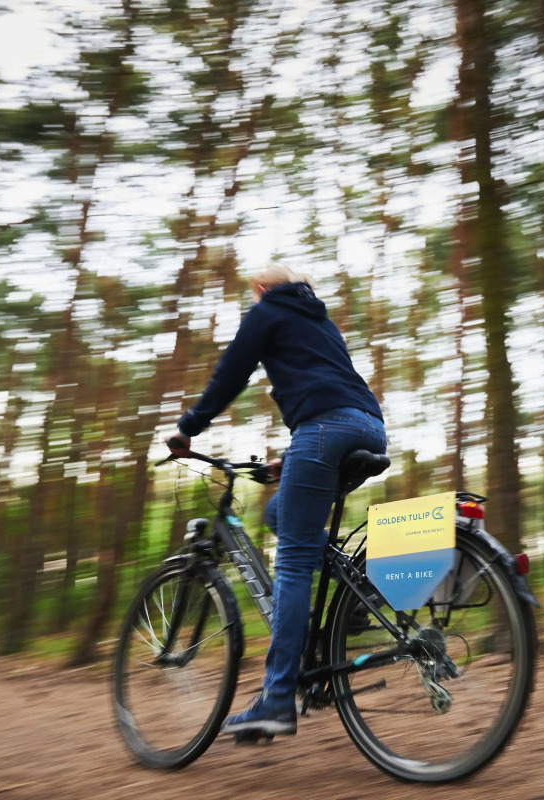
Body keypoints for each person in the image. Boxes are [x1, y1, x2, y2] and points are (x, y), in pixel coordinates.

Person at [166, 266, 386, 738]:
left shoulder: (267, 310)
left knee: (290, 565)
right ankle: (353, 598)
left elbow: (232, 373)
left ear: (263, 289)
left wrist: (189, 426)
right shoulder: (321, 321)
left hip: (324, 430)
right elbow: (329, 389)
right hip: (369, 426)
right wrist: (291, 461)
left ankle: (278, 699)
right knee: (276, 514)